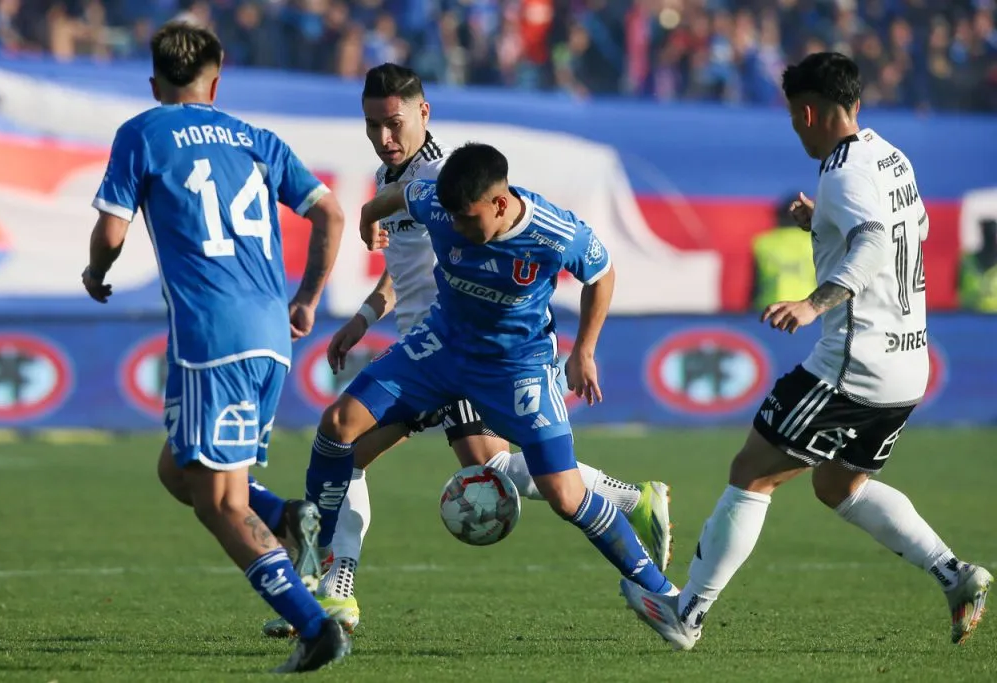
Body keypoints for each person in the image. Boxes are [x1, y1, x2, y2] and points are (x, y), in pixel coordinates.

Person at [254, 63, 672, 638]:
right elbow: (415, 268)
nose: (383, 136)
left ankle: (334, 591)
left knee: (364, 453)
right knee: (488, 464)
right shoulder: (399, 179)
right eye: (372, 124)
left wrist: (583, 348)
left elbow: (467, 255)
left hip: (466, 346)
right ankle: (631, 500)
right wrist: (365, 314)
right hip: (430, 343)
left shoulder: (446, 181)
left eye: (393, 122)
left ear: (423, 113)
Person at [625, 52, 992, 651]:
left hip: (855, 363)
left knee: (751, 473)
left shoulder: (843, 169)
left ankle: (686, 612)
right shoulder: (889, 156)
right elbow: (908, 230)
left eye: (795, 118)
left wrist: (812, 304)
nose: (796, 128)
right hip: (909, 363)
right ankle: (955, 574)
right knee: (837, 487)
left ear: (810, 111)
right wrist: (822, 222)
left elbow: (873, 239)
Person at [81, 21, 351, 673]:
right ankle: (288, 515)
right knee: (179, 468)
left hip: (211, 337)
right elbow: (331, 212)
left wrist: (96, 273)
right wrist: (309, 296)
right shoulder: (256, 139)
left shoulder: (142, 132)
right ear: (216, 79)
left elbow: (112, 231)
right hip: (268, 336)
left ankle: (315, 628)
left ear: (154, 82)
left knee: (218, 501)